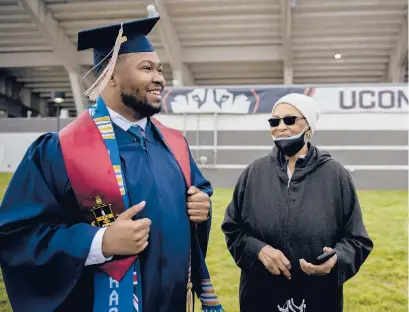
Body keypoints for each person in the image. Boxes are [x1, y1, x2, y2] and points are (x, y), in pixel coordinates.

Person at [0, 17, 223, 312]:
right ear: (111, 76)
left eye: (160, 69)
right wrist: (100, 242)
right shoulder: (60, 150)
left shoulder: (174, 145)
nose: (160, 78)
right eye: (147, 68)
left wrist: (201, 207)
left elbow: (198, 196)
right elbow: (19, 237)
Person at [221, 93, 373, 312]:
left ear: (309, 126)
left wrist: (337, 259)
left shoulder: (335, 175)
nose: (280, 127)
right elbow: (232, 228)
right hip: (260, 296)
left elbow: (357, 240)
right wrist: (258, 250)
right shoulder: (254, 172)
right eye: (274, 121)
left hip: (319, 298)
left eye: (290, 120)